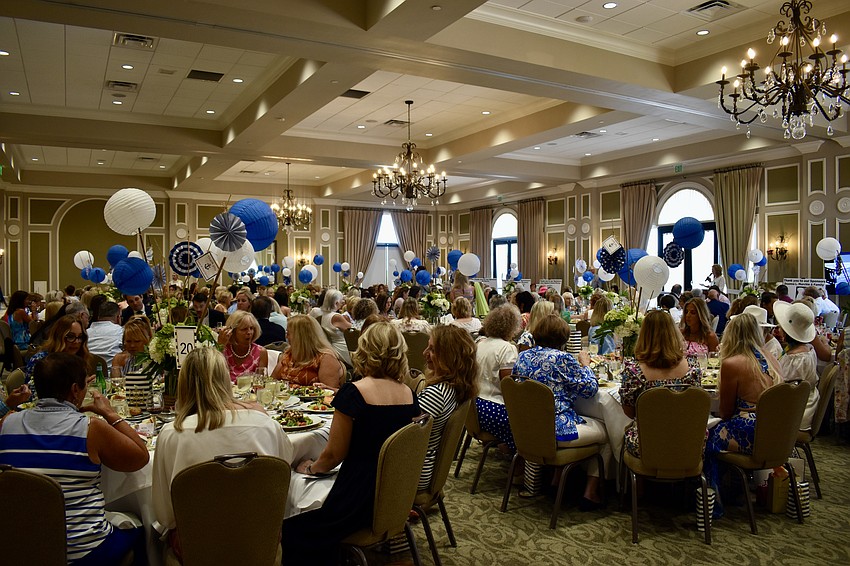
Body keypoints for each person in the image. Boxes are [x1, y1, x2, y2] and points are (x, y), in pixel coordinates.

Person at [282, 322, 421, 564]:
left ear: (365, 350)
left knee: (290, 517)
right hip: (392, 495)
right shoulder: (409, 395)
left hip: (356, 500)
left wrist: (310, 468)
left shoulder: (354, 393)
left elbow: (333, 455)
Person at [0, 353, 149, 564]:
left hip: (23, 547)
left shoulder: (8, 423)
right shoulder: (90, 428)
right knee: (140, 528)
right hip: (83, 551)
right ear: (75, 390)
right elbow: (140, 457)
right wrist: (109, 413)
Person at [152, 348, 292, 554]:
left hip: (198, 549)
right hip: (259, 542)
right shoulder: (265, 425)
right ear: (227, 380)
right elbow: (283, 479)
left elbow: (165, 516)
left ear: (183, 384)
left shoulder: (172, 434)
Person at [514, 314, 608, 509]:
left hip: (526, 427)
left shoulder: (523, 355)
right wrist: (586, 365)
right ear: (563, 338)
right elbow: (590, 389)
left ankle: (557, 481)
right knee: (608, 432)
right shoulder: (562, 358)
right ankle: (591, 492)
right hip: (554, 430)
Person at [703, 313, 781, 517]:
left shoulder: (733, 364)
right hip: (777, 430)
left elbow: (725, 412)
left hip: (751, 432)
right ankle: (735, 486)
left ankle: (713, 501)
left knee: (705, 439)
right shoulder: (771, 358)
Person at [620, 310, 702, 457]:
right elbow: (696, 405)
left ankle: (640, 479)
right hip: (689, 442)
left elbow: (630, 412)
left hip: (648, 445)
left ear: (644, 335)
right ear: (673, 332)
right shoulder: (692, 368)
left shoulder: (634, 372)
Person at [418, 325, 479, 490]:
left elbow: (406, 438)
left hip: (415, 472)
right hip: (425, 467)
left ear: (448, 357)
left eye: (432, 349)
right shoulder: (455, 388)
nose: (425, 353)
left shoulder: (436, 394)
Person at [475, 305, 521, 451]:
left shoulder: (480, 344)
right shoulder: (507, 348)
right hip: (492, 408)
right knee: (528, 422)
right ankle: (521, 463)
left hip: (474, 406)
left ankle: (505, 445)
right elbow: (509, 388)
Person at [774, 302, 820, 431]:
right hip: (805, 403)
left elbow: (784, 390)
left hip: (796, 412)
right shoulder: (809, 349)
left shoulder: (795, 358)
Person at [24, 314, 93, 397]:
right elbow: (31, 396)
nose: (76, 342)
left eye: (80, 337)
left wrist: (84, 385)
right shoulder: (41, 360)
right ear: (59, 337)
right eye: (71, 336)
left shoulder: (79, 358)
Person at [271, 315, 345, 389]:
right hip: (285, 398)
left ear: (300, 337)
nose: (286, 337)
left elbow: (329, 392)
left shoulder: (326, 358)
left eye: (288, 333)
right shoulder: (289, 353)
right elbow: (272, 381)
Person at [217, 310, 268, 382]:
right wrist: (220, 346)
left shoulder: (261, 352)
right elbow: (213, 374)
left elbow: (262, 382)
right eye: (244, 329)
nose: (249, 332)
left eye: (251, 328)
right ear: (232, 332)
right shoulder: (224, 350)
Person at [318, 289, 353, 366]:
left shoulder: (324, 315)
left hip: (332, 346)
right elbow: (353, 332)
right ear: (336, 303)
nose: (342, 303)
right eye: (341, 301)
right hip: (341, 348)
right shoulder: (336, 317)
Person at [85, 301, 124, 369]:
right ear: (118, 318)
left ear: (98, 316)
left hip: (89, 373)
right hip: (114, 373)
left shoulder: (85, 333)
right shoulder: (121, 331)